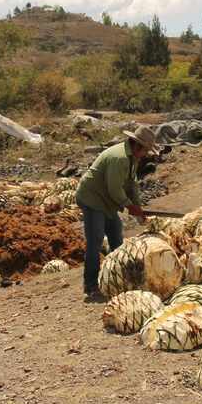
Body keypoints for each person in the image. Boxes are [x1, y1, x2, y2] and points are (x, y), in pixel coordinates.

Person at [75, 125, 156, 301]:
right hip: (92, 199)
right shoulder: (119, 158)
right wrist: (129, 206)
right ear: (137, 146)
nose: (145, 155)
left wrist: (138, 208)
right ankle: (90, 286)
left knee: (116, 239)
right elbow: (114, 189)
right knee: (95, 240)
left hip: (107, 201)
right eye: (145, 151)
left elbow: (132, 185)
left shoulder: (132, 158)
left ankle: (118, 278)